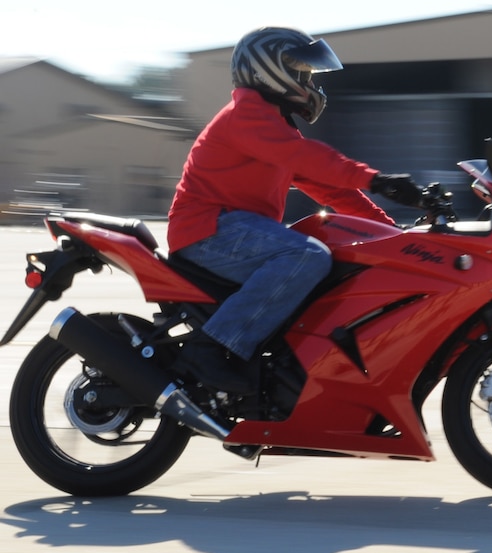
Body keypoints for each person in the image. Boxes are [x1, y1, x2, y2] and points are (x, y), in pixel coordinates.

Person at [168, 26, 422, 392]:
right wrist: (376, 179)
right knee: (306, 256)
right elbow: (307, 158)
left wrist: (393, 235)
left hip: (231, 231)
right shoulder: (246, 116)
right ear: (269, 71)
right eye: (304, 73)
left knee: (326, 261)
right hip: (208, 231)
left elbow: (330, 187)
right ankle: (209, 348)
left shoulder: (273, 127)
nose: (311, 83)